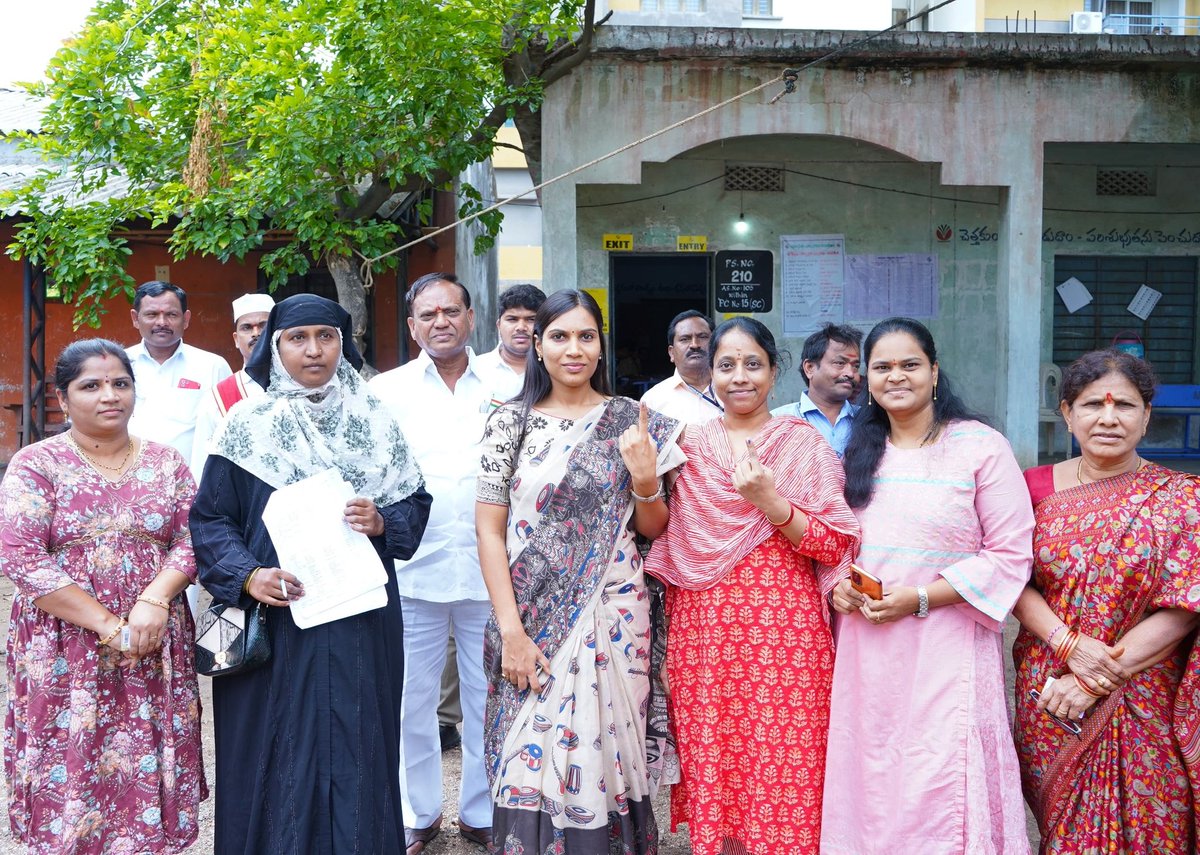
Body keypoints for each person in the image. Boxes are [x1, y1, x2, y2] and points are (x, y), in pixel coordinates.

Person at [189, 294, 431, 854]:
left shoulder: (375, 421)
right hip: (273, 622)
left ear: (343, 344)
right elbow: (210, 519)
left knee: (360, 740)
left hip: (359, 622)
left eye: (326, 336)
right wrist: (249, 576)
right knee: (273, 745)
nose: (313, 350)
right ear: (275, 347)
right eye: (297, 338)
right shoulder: (247, 425)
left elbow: (415, 508)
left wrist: (382, 520)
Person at [476, 289, 684, 851]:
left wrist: (645, 480)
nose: (574, 349)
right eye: (560, 336)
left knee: (608, 750)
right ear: (537, 346)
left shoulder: (633, 423)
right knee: (526, 756)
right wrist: (513, 633)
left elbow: (653, 528)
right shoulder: (506, 425)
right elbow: (490, 532)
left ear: (600, 346)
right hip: (529, 617)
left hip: (614, 616)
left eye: (586, 336)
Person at [645, 317, 860, 854]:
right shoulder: (686, 446)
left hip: (784, 633)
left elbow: (834, 542)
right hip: (704, 630)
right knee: (715, 751)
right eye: (726, 365)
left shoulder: (801, 445)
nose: (739, 377)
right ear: (709, 373)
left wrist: (773, 503)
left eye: (752, 364)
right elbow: (662, 531)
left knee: (787, 755)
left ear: (774, 371)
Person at [821, 317, 1033, 854]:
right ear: (866, 379)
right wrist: (838, 586)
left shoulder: (980, 447)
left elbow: (1010, 553)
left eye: (910, 364)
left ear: (934, 372)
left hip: (948, 640)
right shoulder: (856, 454)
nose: (897, 376)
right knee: (871, 768)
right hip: (867, 644)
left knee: (940, 770)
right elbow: (834, 545)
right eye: (882, 367)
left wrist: (919, 598)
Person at [0, 338, 205, 853]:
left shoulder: (167, 463)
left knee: (145, 761)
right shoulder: (36, 464)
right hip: (64, 647)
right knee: (72, 762)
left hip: (153, 642)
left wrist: (154, 601)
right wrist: (108, 626)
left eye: (120, 383)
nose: (109, 395)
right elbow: (21, 557)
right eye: (90, 386)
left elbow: (194, 537)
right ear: (64, 399)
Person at [1012, 349, 1200, 853]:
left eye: (1127, 406)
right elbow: (1010, 582)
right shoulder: (1030, 490)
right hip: (1051, 692)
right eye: (1093, 404)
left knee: (1155, 823)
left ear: (1147, 416)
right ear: (1068, 413)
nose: (1110, 418)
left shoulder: (1182, 497)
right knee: (1066, 834)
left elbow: (1184, 605)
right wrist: (1069, 646)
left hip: (1145, 694)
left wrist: (1094, 678)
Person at [370, 273, 521, 852]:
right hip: (411, 571)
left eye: (451, 312)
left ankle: (483, 813)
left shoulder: (512, 384)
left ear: (471, 317)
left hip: (494, 573)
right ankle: (419, 811)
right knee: (412, 700)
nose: (441, 322)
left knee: (491, 698)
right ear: (412, 326)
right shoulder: (386, 391)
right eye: (428, 315)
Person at [438, 283, 546, 754]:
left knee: (500, 656)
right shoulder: (477, 374)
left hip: (526, 536)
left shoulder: (554, 373)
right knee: (451, 657)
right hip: (463, 530)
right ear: (495, 323)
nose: (522, 327)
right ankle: (447, 726)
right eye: (514, 318)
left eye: (531, 320)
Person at [126, 280, 232, 468]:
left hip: (194, 484)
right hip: (129, 483)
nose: (161, 322)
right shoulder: (119, 364)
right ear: (135, 318)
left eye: (171, 314)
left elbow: (229, 430)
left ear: (186, 318)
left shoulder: (212, 366)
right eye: (151, 314)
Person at [190, 292, 275, 478]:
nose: (256, 333)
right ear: (236, 339)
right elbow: (202, 466)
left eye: (263, 326)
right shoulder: (218, 397)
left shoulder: (302, 385)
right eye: (247, 328)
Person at [771, 322, 862, 456]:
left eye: (856, 366)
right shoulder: (778, 421)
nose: (850, 373)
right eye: (839, 363)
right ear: (809, 368)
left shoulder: (867, 420)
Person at [640, 310, 722, 424]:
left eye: (702, 337)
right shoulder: (653, 401)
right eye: (685, 339)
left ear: (716, 346)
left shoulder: (736, 390)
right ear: (671, 353)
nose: (694, 345)